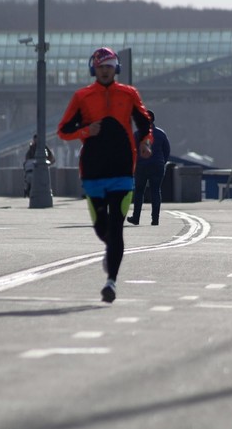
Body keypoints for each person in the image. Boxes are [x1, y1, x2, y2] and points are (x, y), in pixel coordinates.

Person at [57, 47, 153, 303]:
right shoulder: (82, 97)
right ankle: (110, 251)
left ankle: (111, 282)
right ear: (93, 69)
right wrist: (87, 130)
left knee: (117, 228)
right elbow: (64, 130)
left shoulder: (129, 94)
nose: (105, 70)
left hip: (123, 169)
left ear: (116, 68)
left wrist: (146, 142)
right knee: (102, 230)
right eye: (101, 66)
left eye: (109, 66)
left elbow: (145, 123)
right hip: (93, 172)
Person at [128, 110, 171, 225]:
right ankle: (155, 219)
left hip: (142, 166)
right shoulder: (161, 134)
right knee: (155, 191)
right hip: (157, 165)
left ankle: (136, 218)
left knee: (139, 191)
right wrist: (162, 162)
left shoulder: (137, 134)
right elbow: (166, 150)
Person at [23, 134, 56, 198]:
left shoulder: (44, 147)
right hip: (32, 167)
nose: (36, 141)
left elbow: (50, 156)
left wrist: (48, 162)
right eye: (35, 139)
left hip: (40, 167)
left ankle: (29, 190)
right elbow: (27, 158)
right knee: (30, 178)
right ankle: (29, 190)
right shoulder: (32, 148)